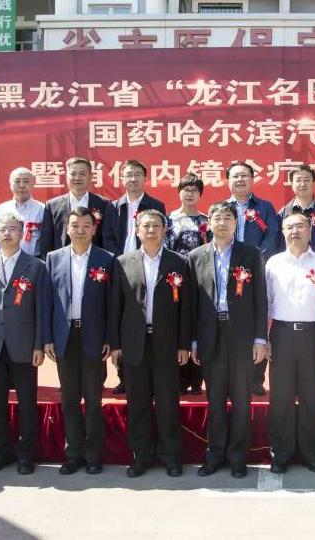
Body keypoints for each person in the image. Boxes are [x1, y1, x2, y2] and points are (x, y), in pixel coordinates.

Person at [109, 209, 192, 478]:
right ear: (137, 230)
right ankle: (141, 456)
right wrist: (115, 344)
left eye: (157, 225)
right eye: (146, 226)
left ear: (165, 230)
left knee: (168, 402)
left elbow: (186, 308)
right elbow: (115, 306)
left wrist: (183, 344)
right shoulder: (123, 262)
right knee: (138, 402)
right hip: (134, 342)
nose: (151, 230)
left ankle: (171, 456)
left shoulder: (179, 262)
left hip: (166, 342)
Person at [189, 202, 268, 478]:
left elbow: (260, 298)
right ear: (209, 223)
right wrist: (194, 342)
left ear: (236, 223)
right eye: (217, 218)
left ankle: (237, 458)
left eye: (227, 218)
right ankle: (214, 456)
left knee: (241, 401)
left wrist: (260, 339)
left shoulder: (251, 254)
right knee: (215, 401)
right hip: (210, 337)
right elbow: (192, 304)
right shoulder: (196, 256)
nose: (222, 222)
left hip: (242, 337)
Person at [0, 211, 49, 475]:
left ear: (22, 232)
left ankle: (26, 455)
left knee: (27, 404)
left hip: (24, 344)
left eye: (12, 228)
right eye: (2, 228)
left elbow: (41, 309)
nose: (6, 233)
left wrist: (39, 344)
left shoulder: (36, 266)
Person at [44, 208, 115, 475]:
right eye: (75, 225)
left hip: (94, 337)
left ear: (94, 229)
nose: (81, 230)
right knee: (70, 399)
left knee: (93, 399)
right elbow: (47, 302)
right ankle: (73, 453)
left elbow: (112, 303)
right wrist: (47, 338)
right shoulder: (53, 258)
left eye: (86, 225)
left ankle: (94, 455)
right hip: (65, 336)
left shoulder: (106, 259)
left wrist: (109, 338)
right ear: (67, 229)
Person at [265, 211, 315, 474]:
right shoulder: (273, 263)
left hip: (313, 335)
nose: (295, 232)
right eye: (289, 227)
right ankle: (281, 453)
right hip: (281, 335)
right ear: (283, 232)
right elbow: (265, 304)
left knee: (311, 396)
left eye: (300, 226)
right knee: (281, 397)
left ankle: (311, 453)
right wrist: (264, 338)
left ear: (310, 230)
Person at [110, 160, 167, 395]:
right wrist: (120, 262)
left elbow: (159, 236)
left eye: (137, 175)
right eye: (128, 175)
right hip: (121, 267)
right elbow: (107, 237)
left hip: (148, 263)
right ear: (122, 179)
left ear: (145, 178)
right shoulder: (113, 206)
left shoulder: (156, 205)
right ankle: (125, 377)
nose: (132, 179)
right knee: (124, 318)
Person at [224, 161, 280, 396]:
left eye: (244, 176)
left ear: (252, 179)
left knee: (259, 319)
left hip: (257, 271)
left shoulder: (265, 207)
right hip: (227, 273)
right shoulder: (221, 208)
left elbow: (272, 236)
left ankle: (257, 378)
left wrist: (254, 261)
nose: (240, 180)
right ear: (228, 181)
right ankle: (229, 377)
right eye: (235, 176)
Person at [165, 173, 210, 395]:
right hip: (174, 281)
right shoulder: (168, 220)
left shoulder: (207, 221)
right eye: (186, 189)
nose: (190, 193)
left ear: (200, 194)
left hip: (200, 281)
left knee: (197, 326)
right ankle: (180, 377)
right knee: (178, 326)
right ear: (179, 192)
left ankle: (197, 379)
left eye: (194, 190)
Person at [39, 156, 120, 256]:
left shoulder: (104, 204)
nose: (77, 178)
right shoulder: (52, 206)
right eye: (73, 174)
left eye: (82, 174)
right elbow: (46, 241)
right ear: (67, 176)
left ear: (90, 177)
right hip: (62, 261)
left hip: (95, 261)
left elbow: (108, 240)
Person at [277, 164, 315, 257]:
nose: (302, 184)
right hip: (291, 264)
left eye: (306, 180)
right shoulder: (283, 213)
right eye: (298, 180)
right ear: (291, 184)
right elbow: (279, 245)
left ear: (313, 183)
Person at [0, 167, 45, 256]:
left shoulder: (43, 210)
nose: (21, 185)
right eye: (17, 181)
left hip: (33, 261)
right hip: (3, 261)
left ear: (32, 185)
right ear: (10, 184)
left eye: (26, 181)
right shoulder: (0, 210)